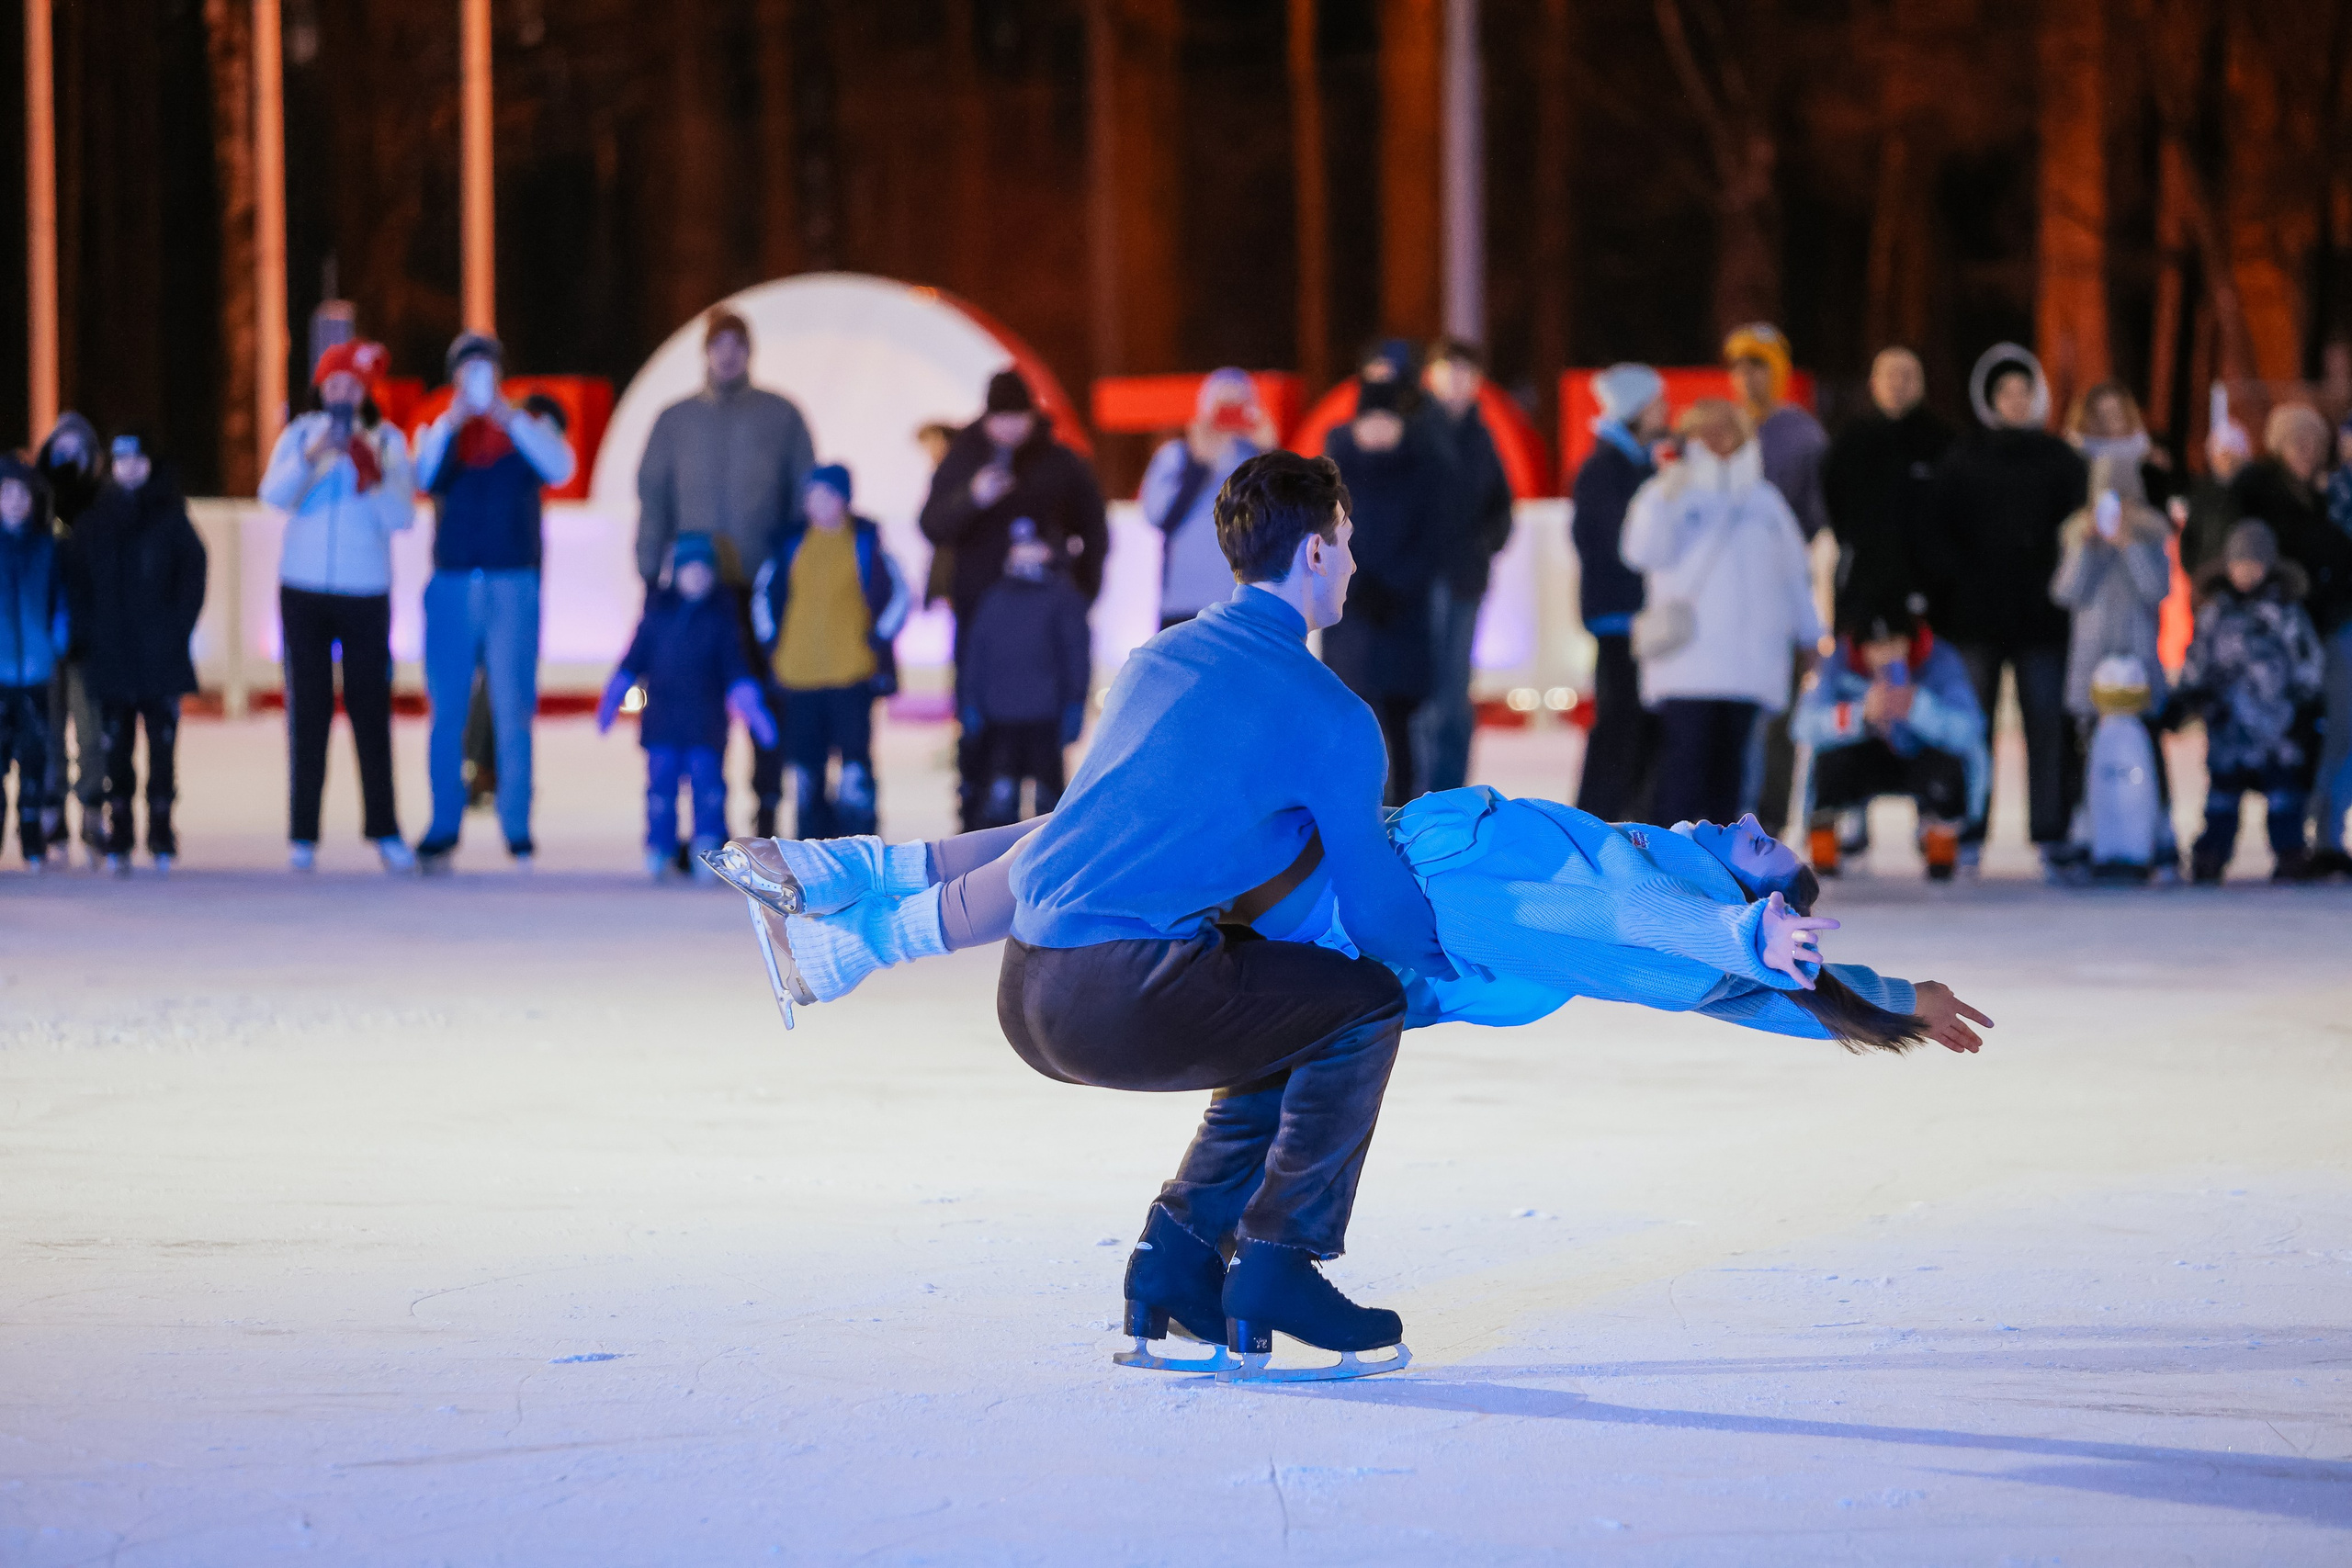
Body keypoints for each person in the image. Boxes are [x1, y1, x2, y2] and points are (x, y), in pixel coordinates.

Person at [636, 308, 816, 838]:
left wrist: (793, 577)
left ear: (750, 350)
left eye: (738, 343)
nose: (728, 353)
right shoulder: (675, 421)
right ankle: (687, 825)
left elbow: (804, 496)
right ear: (706, 352)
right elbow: (654, 499)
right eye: (720, 344)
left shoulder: (781, 416)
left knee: (765, 700)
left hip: (759, 587)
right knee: (688, 711)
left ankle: (765, 812)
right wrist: (652, 572)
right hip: (693, 589)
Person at [410, 333, 577, 871]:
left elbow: (560, 467)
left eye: (485, 369)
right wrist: (455, 420)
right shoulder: (439, 428)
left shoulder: (525, 426)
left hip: (513, 583)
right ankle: (443, 824)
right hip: (453, 583)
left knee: (513, 709)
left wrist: (507, 417)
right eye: (467, 369)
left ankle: (517, 826)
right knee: (447, 713)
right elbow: (422, 474)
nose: (476, 379)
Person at [1921, 343, 2087, 878]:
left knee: (2047, 725)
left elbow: (2079, 531)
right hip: (1975, 619)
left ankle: (2052, 830)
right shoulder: (1963, 458)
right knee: (1972, 727)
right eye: (2005, 393)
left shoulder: (2060, 459)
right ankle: (1966, 826)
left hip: (2043, 618)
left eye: (2024, 392)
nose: (2015, 401)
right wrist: (1954, 589)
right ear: (1989, 398)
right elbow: (1938, 532)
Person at [919, 371, 1108, 829]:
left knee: (1044, 737)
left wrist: (1078, 592)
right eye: (999, 418)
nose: (1007, 429)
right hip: (980, 616)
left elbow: (1095, 532)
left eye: (1016, 417)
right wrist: (973, 496)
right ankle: (975, 826)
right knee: (978, 727)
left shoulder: (1060, 462)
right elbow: (931, 525)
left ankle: (1045, 837)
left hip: (1044, 620)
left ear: (1031, 414)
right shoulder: (964, 458)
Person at [1620, 399, 1822, 827]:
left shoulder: (1765, 501)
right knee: (1684, 772)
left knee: (1732, 778)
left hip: (1747, 666)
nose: (1716, 440)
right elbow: (1640, 551)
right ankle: (1671, 870)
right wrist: (1664, 496)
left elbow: (1794, 575)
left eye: (1726, 430)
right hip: (1687, 663)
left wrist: (1810, 635)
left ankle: (1721, 872)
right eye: (1705, 430)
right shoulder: (1669, 492)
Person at [259, 338, 417, 874]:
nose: (341, 393)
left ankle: (385, 829)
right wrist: (312, 457)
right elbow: (273, 496)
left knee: (371, 712)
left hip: (365, 593)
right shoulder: (301, 435)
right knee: (308, 712)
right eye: (332, 383)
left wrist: (370, 475)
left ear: (365, 388)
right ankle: (303, 833)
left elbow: (401, 518)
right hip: (303, 590)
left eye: (350, 383)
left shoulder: (389, 441)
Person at [62, 434, 207, 874]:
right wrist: (87, 634)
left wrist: (176, 630)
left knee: (162, 748)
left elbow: (192, 578)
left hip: (160, 656)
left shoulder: (172, 519)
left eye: (137, 459)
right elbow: (77, 581)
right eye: (121, 460)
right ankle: (119, 827)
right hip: (112, 657)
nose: (128, 468)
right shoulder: (96, 522)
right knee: (116, 748)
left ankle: (161, 827)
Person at [600, 533, 776, 880]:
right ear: (674, 574)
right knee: (660, 791)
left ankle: (706, 849)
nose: (696, 578)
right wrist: (613, 696)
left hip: (705, 726)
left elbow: (735, 669)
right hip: (662, 725)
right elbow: (634, 659)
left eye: (703, 571)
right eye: (688, 571)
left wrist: (753, 708)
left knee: (708, 788)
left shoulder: (722, 621)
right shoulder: (657, 617)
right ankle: (659, 847)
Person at [751, 464, 908, 840]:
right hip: (799, 675)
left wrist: (876, 638)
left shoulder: (865, 544)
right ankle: (811, 839)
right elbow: (764, 596)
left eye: (828, 495)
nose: (819, 504)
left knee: (855, 761)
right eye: (812, 496)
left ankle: (859, 836)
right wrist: (773, 642)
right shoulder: (790, 546)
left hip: (852, 674)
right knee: (806, 764)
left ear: (844, 500)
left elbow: (899, 595)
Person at [2233, 403, 2352, 876]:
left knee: (2338, 732)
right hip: (2277, 636)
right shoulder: (2256, 491)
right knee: (2284, 736)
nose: (2306, 451)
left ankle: (2324, 833)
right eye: (2296, 442)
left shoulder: (2332, 495)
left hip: (2329, 627)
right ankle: (2287, 839)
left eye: (2314, 443)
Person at [2172, 522, 2325, 883]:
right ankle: (2211, 854)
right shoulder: (2215, 614)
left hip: (2276, 728)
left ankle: (2290, 852)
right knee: (2222, 798)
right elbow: (2198, 660)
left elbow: (2306, 660)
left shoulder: (2285, 614)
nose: (2246, 573)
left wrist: (2307, 707)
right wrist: (2189, 696)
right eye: (2240, 564)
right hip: (2228, 729)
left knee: (2284, 797)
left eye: (2254, 565)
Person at [1792, 601, 1987, 879]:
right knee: (1830, 762)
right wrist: (1857, 716)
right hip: (1865, 757)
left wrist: (1918, 707)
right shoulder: (1839, 662)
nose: (1886, 655)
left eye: (1895, 643)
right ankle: (1827, 839)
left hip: (1918, 755)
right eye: (1876, 645)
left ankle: (1940, 839)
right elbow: (1803, 726)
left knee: (1947, 767)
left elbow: (1970, 730)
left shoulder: (1939, 659)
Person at [1724, 322, 1829, 835]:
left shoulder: (1802, 436)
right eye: (1739, 366)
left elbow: (1815, 518)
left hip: (1779, 596)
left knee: (1778, 719)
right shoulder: (1717, 429)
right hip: (1721, 601)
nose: (1747, 377)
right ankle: (1721, 820)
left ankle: (1768, 826)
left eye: (1758, 364)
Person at [1321, 375, 1446, 806]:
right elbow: (1320, 540)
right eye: (1369, 420)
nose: (1377, 429)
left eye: (1385, 420)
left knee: (1402, 726)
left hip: (1403, 618)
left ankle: (1406, 812)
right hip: (1350, 620)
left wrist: (1395, 587)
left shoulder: (1423, 469)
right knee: (1352, 719)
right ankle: (1353, 810)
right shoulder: (1331, 476)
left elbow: (1434, 540)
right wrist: (1352, 586)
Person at [2050, 455, 2177, 871]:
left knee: (2147, 740)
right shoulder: (2075, 531)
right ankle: (2087, 826)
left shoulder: (2152, 532)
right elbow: (2066, 593)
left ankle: (2158, 825)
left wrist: (2130, 545)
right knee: (2087, 745)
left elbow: (2156, 589)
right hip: (2092, 659)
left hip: (2138, 655)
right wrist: (2086, 548)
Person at [1414, 338, 1515, 794]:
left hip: (1465, 578)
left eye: (1466, 372)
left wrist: (1485, 543)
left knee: (1455, 696)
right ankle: (1419, 795)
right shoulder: (1415, 429)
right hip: (1422, 580)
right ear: (1431, 376)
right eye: (1448, 370)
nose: (1457, 381)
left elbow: (1501, 504)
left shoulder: (1481, 435)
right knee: (1428, 696)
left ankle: (1452, 794)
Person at [1570, 363, 1667, 820]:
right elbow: (1620, 547)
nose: (1666, 412)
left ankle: (1625, 821)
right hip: (1620, 618)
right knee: (1619, 727)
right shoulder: (1606, 470)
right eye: (1657, 404)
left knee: (1636, 728)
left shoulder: (1634, 465)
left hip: (1632, 617)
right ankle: (1599, 822)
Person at [959, 519, 1091, 828]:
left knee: (1048, 802)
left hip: (1045, 717)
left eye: (1034, 546)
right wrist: (970, 701)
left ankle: (1050, 862)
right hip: (1000, 719)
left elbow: (1075, 654)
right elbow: (976, 655)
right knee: (1000, 800)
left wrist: (1074, 703)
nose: (1026, 554)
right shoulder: (994, 598)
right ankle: (996, 866)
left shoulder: (1063, 598)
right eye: (1019, 547)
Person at [1824, 346, 1952, 628]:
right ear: (1873, 382)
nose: (1898, 384)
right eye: (1890, 376)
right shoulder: (1851, 440)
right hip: (1863, 583)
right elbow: (1832, 499)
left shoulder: (1943, 442)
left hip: (1928, 589)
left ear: (1921, 384)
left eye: (1907, 376)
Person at [1141, 368, 1274, 631]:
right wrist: (1198, 466)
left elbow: (1282, 518)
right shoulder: (1177, 456)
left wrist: (1269, 453)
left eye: (1237, 406)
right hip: (1184, 603)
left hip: (1244, 603)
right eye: (1221, 406)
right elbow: (1157, 514)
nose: (1227, 415)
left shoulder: (1256, 460)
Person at [37, 411, 107, 863]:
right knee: (46, 728)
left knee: (91, 728)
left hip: (88, 636)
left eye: (77, 448)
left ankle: (93, 811)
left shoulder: (102, 504)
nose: (68, 456)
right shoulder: (30, 500)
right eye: (61, 447)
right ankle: (50, 809)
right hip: (39, 637)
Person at [0, 456, 64, 869]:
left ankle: (32, 839)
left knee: (35, 756)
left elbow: (61, 603)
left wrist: (54, 643)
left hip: (36, 671)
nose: (16, 501)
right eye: (6, 493)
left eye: (23, 493)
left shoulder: (47, 547)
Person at [2173, 418, 2251, 577]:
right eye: (2222, 456)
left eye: (2233, 457)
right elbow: (2189, 538)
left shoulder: (2257, 492)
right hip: (2209, 579)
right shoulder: (2200, 494)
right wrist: (2196, 575)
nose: (2228, 463)